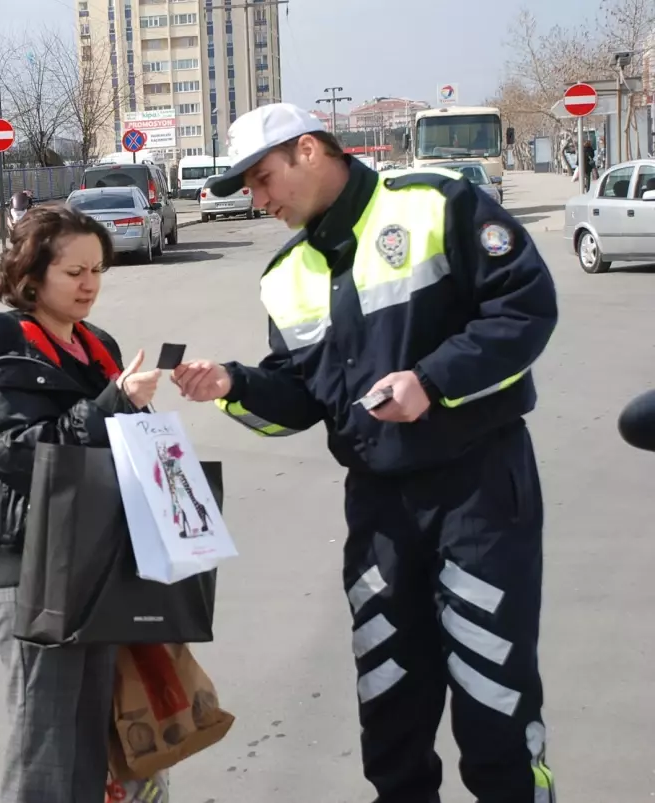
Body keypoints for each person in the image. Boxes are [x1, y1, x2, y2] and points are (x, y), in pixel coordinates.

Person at [172, 103, 559, 803]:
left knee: (491, 699)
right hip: (378, 508)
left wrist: (433, 383)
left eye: (262, 180)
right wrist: (232, 384)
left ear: (311, 151)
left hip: (478, 489)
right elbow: (300, 397)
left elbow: (525, 309)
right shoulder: (284, 277)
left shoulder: (436, 204)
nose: (259, 202)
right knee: (390, 712)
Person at [0, 204, 161, 802]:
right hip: (28, 563)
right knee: (45, 745)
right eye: (74, 271)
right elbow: (16, 451)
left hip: (91, 559)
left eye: (97, 269)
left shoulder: (95, 345)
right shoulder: (3, 348)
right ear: (32, 276)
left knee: (89, 741)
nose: (90, 284)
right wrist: (112, 406)